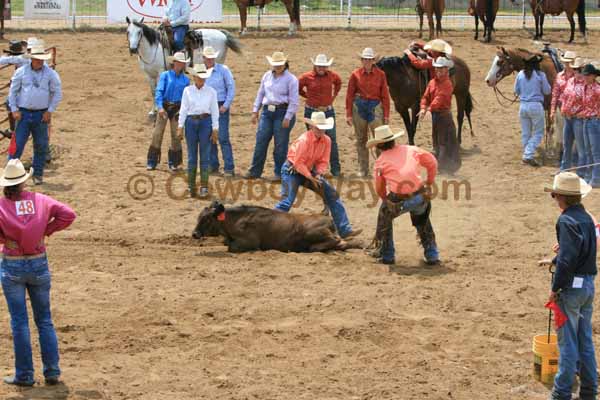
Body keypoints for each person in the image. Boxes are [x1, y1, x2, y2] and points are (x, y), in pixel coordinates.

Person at [0, 159, 76, 387]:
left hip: (13, 264)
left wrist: (6, 240)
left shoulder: (2, 206)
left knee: (20, 322)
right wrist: (46, 230)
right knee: (44, 320)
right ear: (24, 181)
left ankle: (24, 375)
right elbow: (68, 214)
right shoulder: (40, 200)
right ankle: (51, 371)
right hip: (38, 262)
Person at [540, 171, 597, 400]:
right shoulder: (585, 218)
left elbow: (568, 259)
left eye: (555, 195)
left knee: (567, 342)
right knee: (584, 339)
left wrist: (555, 289)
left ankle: (561, 393)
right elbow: (580, 252)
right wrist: (555, 259)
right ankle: (589, 390)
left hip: (570, 289)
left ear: (561, 196)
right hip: (587, 287)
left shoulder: (566, 220)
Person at [274, 112, 361, 239]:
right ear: (311, 127)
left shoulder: (327, 141)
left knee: (332, 196)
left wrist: (319, 174)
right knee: (286, 202)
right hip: (291, 170)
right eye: (318, 127)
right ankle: (268, 226)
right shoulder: (304, 140)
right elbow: (298, 163)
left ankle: (345, 230)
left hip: (309, 171)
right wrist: (310, 177)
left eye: (322, 127)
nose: (320, 130)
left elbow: (323, 161)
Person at [367, 125, 439, 265]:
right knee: (423, 220)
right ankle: (432, 254)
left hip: (399, 198)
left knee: (384, 216)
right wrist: (429, 182)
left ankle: (387, 254)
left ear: (380, 145)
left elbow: (380, 188)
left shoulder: (380, 161)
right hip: (419, 194)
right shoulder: (411, 149)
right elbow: (433, 163)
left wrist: (385, 200)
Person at [8, 45, 62, 185]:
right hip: (23, 113)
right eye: (37, 58)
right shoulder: (21, 72)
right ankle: (10, 175)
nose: (39, 61)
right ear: (31, 58)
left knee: (41, 145)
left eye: (41, 59)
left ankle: (37, 175)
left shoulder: (50, 74)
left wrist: (50, 110)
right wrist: (14, 109)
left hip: (41, 114)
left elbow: (57, 93)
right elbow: (13, 91)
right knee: (17, 145)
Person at [247, 52, 299, 182]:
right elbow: (260, 93)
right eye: (275, 65)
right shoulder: (267, 76)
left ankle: (279, 172)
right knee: (261, 141)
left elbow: (294, 101)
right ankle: (255, 170)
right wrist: (255, 110)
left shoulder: (291, 79)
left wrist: (288, 117)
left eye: (280, 64)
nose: (277, 67)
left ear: (285, 64)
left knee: (280, 144)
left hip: (283, 111)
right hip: (267, 111)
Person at [345, 47, 390, 177]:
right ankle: (363, 168)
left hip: (375, 106)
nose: (367, 62)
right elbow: (349, 95)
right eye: (365, 59)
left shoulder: (381, 75)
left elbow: (385, 96)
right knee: (361, 139)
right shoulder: (355, 74)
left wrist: (386, 115)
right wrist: (348, 114)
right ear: (362, 60)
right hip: (359, 106)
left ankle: (381, 168)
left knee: (380, 139)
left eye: (369, 59)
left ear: (373, 61)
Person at [177, 64, 219, 198]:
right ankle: (191, 186)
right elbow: (183, 109)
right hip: (191, 122)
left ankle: (204, 186)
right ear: (194, 77)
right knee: (192, 156)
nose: (201, 80)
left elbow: (214, 111)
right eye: (199, 77)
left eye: (203, 78)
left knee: (204, 156)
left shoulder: (211, 91)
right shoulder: (187, 91)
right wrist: (180, 126)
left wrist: (215, 128)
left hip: (205, 122)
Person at [298, 53, 342, 176]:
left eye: (324, 66)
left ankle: (336, 169)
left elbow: (338, 83)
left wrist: (332, 97)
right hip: (312, 110)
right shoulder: (306, 77)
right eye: (319, 66)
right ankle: (312, 168)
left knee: (331, 139)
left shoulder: (333, 76)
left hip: (327, 111)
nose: (321, 68)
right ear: (315, 66)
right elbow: (298, 87)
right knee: (312, 139)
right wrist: (307, 96)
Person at [147, 51, 189, 172]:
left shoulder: (185, 80)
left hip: (177, 108)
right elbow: (159, 91)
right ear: (174, 63)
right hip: (164, 106)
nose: (180, 65)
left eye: (182, 63)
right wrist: (159, 107)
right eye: (179, 62)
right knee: (157, 134)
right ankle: (152, 161)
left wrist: (183, 110)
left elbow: (186, 97)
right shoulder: (165, 75)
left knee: (176, 135)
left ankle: (174, 163)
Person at [418, 56, 461, 173]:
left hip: (444, 116)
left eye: (441, 68)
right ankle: (441, 166)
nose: (438, 71)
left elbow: (439, 99)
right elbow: (425, 97)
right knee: (436, 140)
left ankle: (442, 167)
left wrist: (429, 109)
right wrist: (423, 108)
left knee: (443, 142)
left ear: (446, 69)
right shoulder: (432, 82)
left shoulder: (447, 84)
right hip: (436, 115)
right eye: (437, 68)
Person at [203, 46, 236, 177]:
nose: (210, 60)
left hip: (220, 105)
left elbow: (231, 88)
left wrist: (226, 105)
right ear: (204, 58)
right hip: (207, 107)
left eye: (212, 58)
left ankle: (229, 167)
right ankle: (213, 164)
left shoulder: (223, 70)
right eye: (208, 58)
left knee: (222, 137)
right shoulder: (201, 71)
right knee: (209, 137)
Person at [513, 54, 551, 167]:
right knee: (538, 133)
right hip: (536, 105)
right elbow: (547, 91)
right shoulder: (540, 75)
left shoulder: (520, 74)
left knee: (526, 133)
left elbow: (516, 91)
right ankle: (528, 155)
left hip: (523, 105)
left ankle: (527, 154)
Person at [559, 57, 586, 175]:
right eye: (575, 70)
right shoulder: (570, 81)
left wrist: (582, 113)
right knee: (567, 145)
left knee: (581, 148)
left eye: (579, 70)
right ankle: (564, 168)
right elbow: (564, 96)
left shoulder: (586, 85)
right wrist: (563, 107)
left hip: (579, 119)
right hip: (568, 117)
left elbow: (590, 103)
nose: (577, 72)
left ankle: (581, 172)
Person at [550, 51, 577, 158]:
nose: (567, 65)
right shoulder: (559, 76)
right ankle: (562, 155)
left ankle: (574, 155)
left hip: (575, 110)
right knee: (560, 133)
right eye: (566, 62)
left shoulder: (578, 76)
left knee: (574, 134)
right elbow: (555, 94)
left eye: (569, 62)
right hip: (561, 108)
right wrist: (552, 110)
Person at [580, 63, 600, 188]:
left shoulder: (598, 89)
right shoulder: (585, 87)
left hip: (594, 121)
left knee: (595, 151)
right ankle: (589, 176)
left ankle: (596, 178)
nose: (585, 78)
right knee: (588, 150)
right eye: (585, 75)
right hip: (586, 120)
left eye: (588, 75)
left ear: (593, 76)